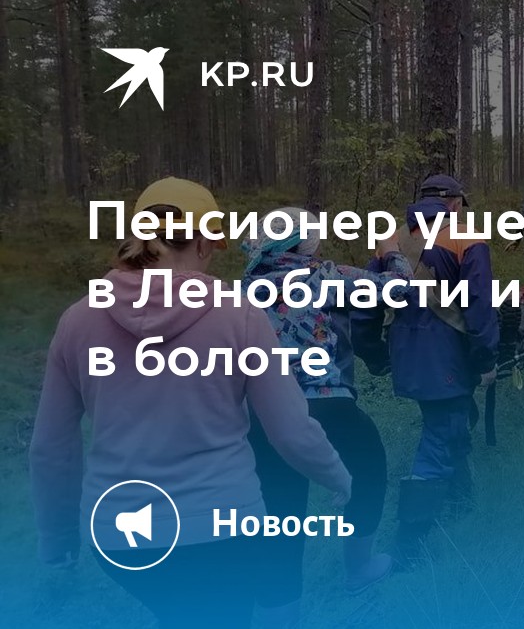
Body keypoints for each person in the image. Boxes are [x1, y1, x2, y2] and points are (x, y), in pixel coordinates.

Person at [29, 178, 352, 629]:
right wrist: (339, 478)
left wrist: (58, 538)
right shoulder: (238, 315)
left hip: (119, 538)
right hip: (223, 530)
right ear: (201, 243)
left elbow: (51, 447)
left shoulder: (78, 319)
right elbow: (291, 430)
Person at [240, 207, 414, 619]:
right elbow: (399, 288)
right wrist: (391, 250)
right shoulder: (322, 275)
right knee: (368, 470)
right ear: (304, 243)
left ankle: (280, 611)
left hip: (263, 411)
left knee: (279, 511)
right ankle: (360, 569)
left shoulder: (244, 288)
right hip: (325, 401)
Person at [353, 174, 498, 565]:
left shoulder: (391, 241)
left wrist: (374, 353)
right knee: (440, 436)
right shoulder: (466, 236)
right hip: (447, 356)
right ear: (454, 203)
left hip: (406, 355)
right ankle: (408, 545)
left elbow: (365, 302)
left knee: (449, 423)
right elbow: (480, 302)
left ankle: (463, 503)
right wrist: (486, 358)